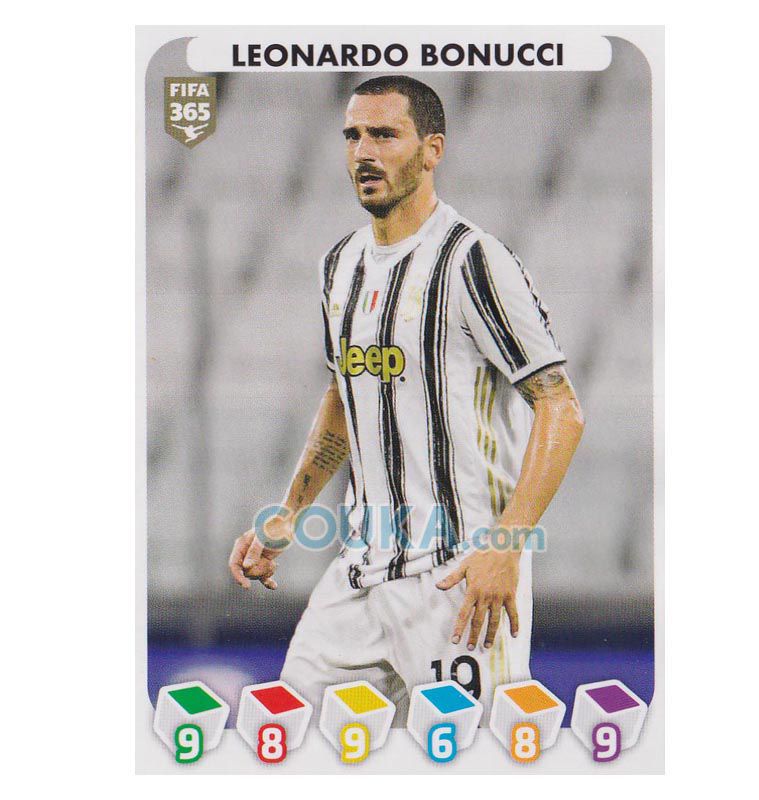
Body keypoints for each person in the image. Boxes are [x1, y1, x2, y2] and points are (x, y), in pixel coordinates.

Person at [229, 75, 584, 723]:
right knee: (288, 740)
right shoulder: (339, 265)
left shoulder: (473, 260)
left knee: (473, 760)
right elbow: (344, 397)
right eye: (352, 136)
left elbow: (560, 407)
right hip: (359, 572)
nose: (364, 152)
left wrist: (506, 545)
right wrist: (289, 512)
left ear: (431, 149)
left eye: (384, 135)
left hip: (458, 577)